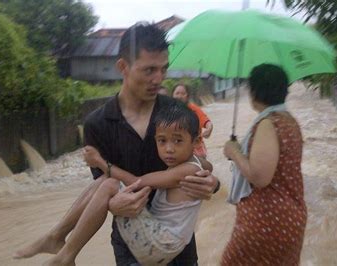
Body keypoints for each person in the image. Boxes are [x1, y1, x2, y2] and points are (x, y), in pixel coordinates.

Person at [14, 22, 219, 265]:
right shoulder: (97, 124)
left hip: (179, 250)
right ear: (123, 67)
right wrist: (113, 204)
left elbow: (199, 161)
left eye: (163, 69)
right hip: (132, 247)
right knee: (106, 182)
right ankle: (58, 240)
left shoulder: (176, 113)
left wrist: (212, 183)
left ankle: (58, 241)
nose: (158, 78)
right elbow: (100, 189)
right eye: (149, 70)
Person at [44, 102, 208, 266]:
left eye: (178, 141)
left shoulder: (186, 170)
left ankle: (65, 254)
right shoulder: (186, 164)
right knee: (105, 184)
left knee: (110, 185)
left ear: (196, 142)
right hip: (163, 242)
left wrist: (100, 162)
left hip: (163, 245)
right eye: (162, 141)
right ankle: (59, 239)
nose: (169, 149)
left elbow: (136, 182)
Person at [222, 64, 307, 265]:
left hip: (267, 221)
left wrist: (234, 152)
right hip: (289, 218)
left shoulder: (269, 123)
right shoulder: (289, 121)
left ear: (254, 91)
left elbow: (260, 177)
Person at [173, 84, 213, 158]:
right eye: (177, 93)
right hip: (177, 148)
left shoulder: (193, 109)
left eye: (183, 94)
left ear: (187, 96)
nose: (179, 96)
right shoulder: (169, 110)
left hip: (195, 148)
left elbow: (206, 121)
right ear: (172, 95)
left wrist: (209, 129)